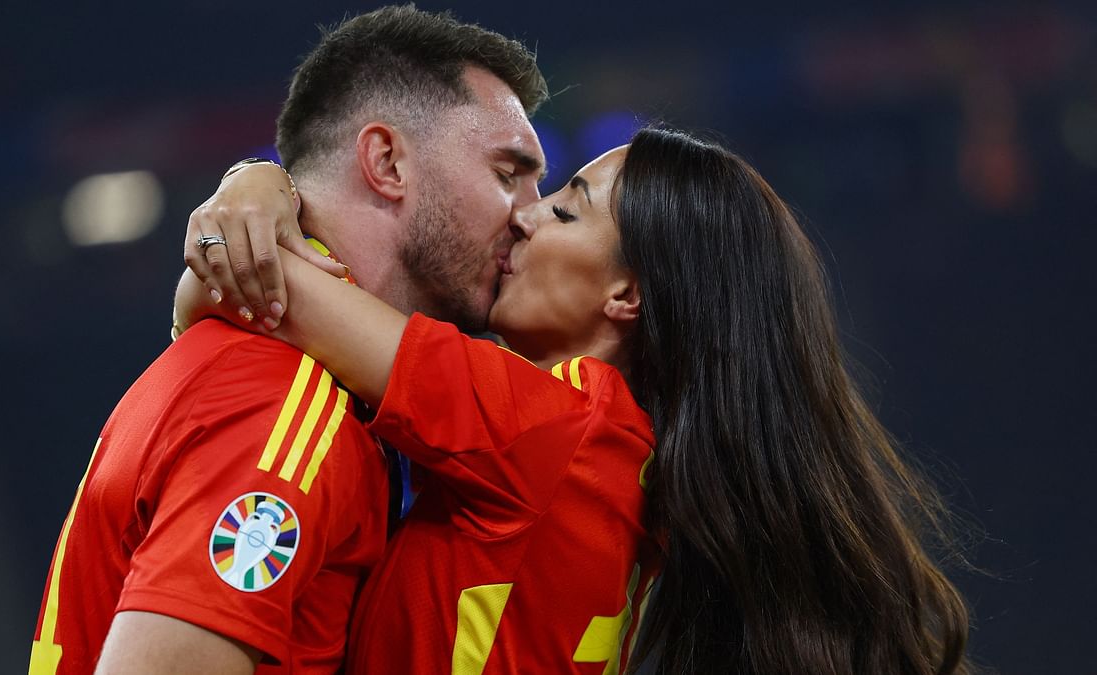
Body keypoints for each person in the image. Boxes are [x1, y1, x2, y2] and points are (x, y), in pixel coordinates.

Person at [178, 128, 973, 673]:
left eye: (564, 209)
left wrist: (257, 184)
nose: (523, 217)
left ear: (627, 293)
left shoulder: (562, 422)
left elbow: (254, 289)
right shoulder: (628, 462)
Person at [28, 6, 549, 674]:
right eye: (508, 173)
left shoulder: (318, 386)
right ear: (386, 161)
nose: (531, 215)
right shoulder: (284, 402)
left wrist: (252, 176)